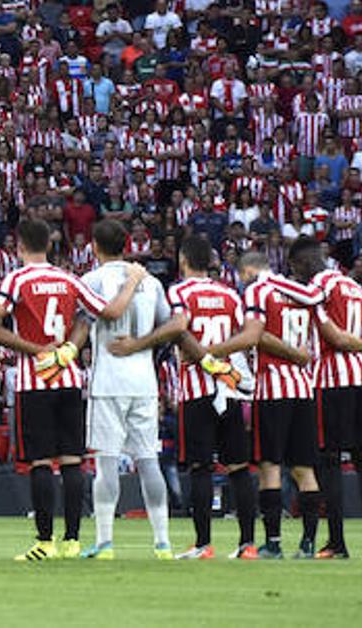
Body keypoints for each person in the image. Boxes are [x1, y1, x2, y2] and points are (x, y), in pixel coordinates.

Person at [0, 218, 144, 560]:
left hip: (34, 379)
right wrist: (132, 280)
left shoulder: (18, 278)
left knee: (41, 463)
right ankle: (73, 540)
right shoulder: (68, 279)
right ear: (49, 245)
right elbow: (112, 311)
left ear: (19, 246)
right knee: (72, 462)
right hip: (70, 378)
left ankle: (45, 541)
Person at [110, 234, 260, 560]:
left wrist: (139, 343)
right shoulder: (231, 295)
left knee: (200, 468)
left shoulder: (179, 291)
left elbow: (179, 327)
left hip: (197, 389)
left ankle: (203, 544)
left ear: (182, 260)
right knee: (238, 467)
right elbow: (244, 339)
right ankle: (248, 544)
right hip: (230, 388)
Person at [213, 246, 334, 558]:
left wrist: (212, 350)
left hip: (273, 388)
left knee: (270, 466)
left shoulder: (258, 290)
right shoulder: (301, 291)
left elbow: (254, 335)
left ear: (247, 272)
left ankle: (274, 544)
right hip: (304, 389)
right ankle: (308, 544)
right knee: (304, 469)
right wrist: (298, 355)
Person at [78, 219, 169, 560]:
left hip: (109, 382)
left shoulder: (92, 280)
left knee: (106, 461)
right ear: (127, 244)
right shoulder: (152, 282)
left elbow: (85, 322)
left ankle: (105, 543)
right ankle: (162, 543)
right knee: (149, 461)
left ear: (94, 247)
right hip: (144, 382)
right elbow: (167, 325)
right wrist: (142, 344)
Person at [298, 242, 362, 559]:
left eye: (298, 268)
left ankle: (337, 542)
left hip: (331, 380)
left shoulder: (319, 284)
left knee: (330, 461)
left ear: (307, 261)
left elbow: (319, 327)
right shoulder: (354, 285)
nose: (298, 274)